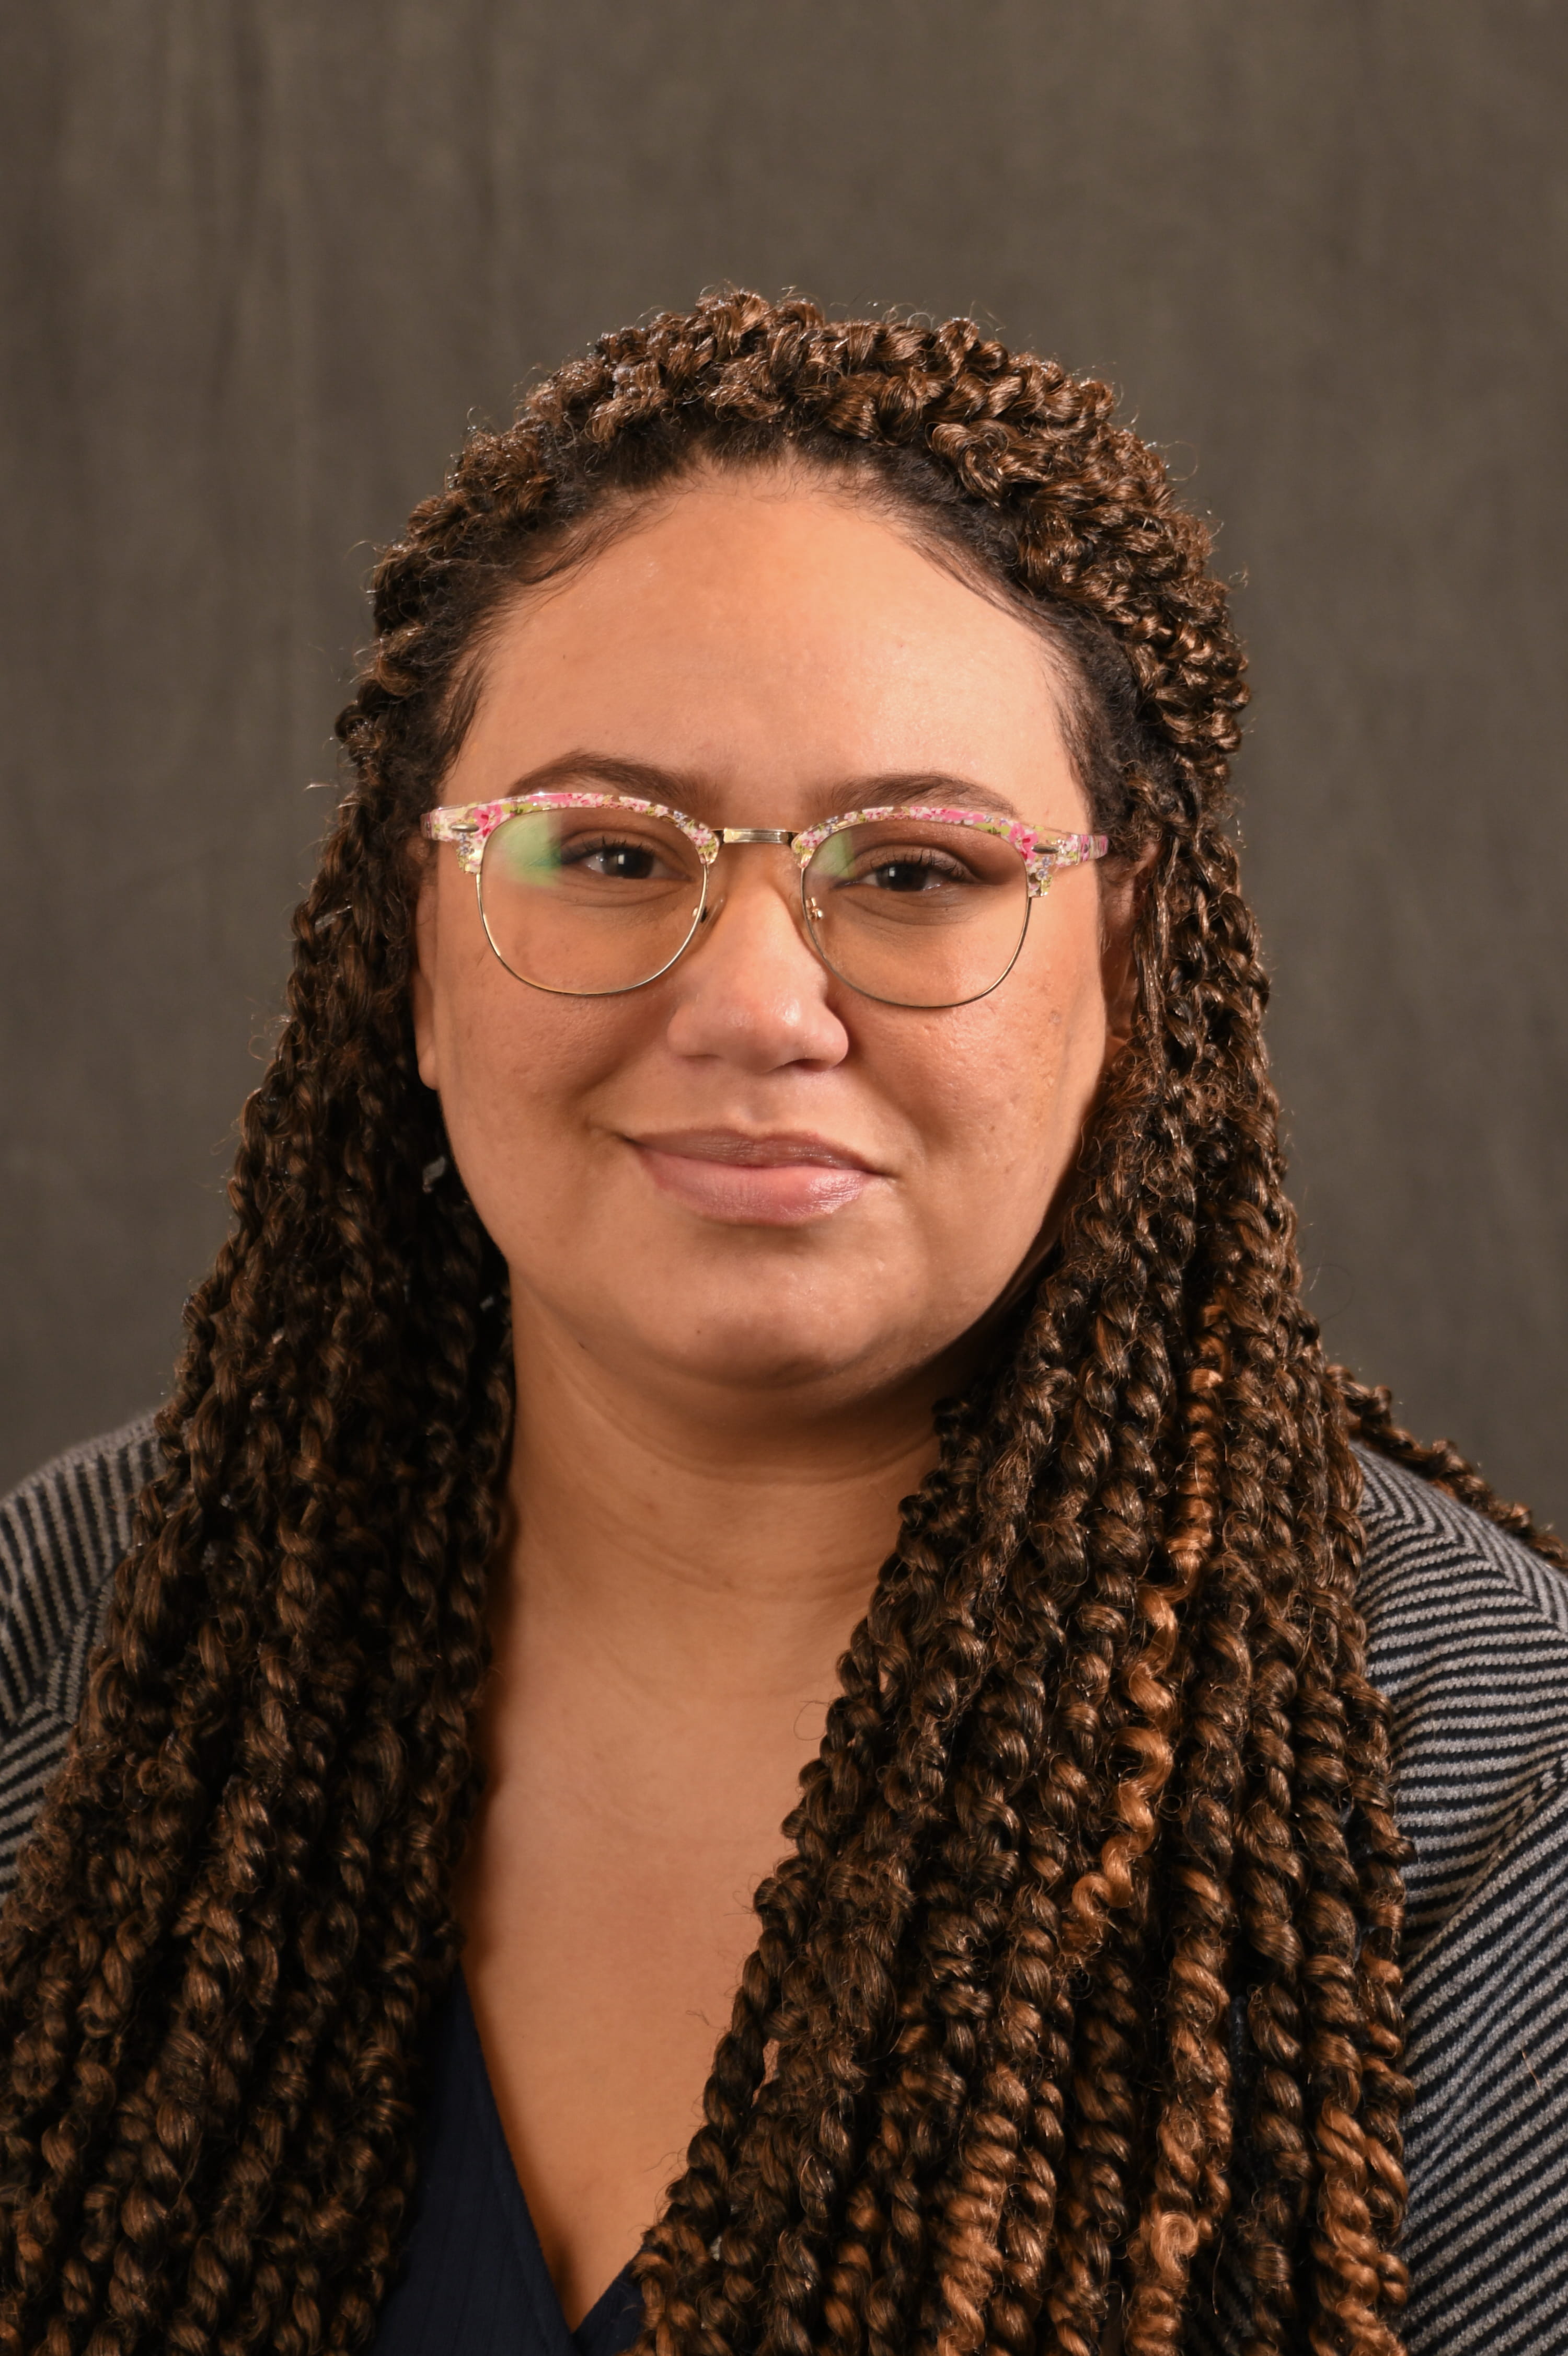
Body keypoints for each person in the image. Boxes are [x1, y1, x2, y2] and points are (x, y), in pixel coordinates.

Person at [0, 292, 1564, 2356]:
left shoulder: (1490, 1781)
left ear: (1134, 967)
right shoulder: (67, 1632)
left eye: (914, 869)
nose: (752, 1004)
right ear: (417, 955)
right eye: (607, 850)